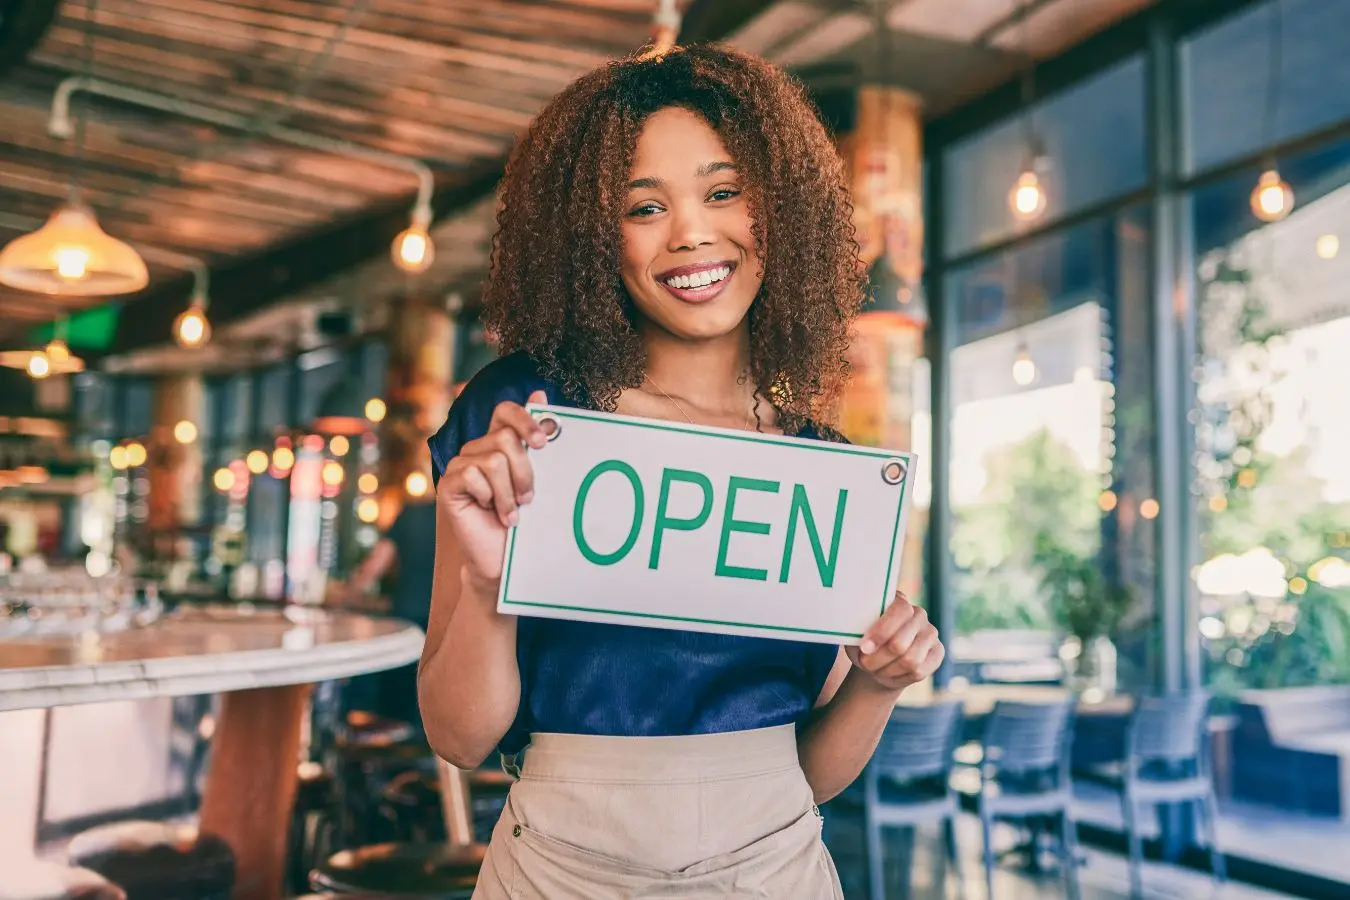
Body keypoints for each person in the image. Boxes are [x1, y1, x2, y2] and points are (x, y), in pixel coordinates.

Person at [419, 43, 944, 898]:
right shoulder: (524, 418)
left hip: (776, 869)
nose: (693, 231)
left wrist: (878, 687)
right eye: (643, 207)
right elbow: (460, 738)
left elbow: (808, 777)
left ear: (781, 211)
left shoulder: (825, 472)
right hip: (557, 871)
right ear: (595, 239)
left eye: (724, 191)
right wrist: (488, 586)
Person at [334, 495, 437, 727]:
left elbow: (376, 563)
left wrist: (344, 598)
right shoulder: (467, 515)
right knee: (429, 706)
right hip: (445, 627)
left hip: (406, 624)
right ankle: (425, 757)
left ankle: (396, 757)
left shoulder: (413, 513)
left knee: (395, 706)